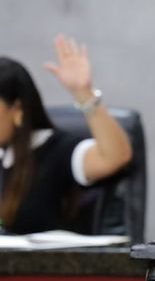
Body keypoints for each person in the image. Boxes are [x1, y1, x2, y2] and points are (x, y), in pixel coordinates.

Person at [0, 35, 133, 234]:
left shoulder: (57, 150)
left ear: (17, 109)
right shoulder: (4, 155)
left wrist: (84, 93)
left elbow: (115, 156)